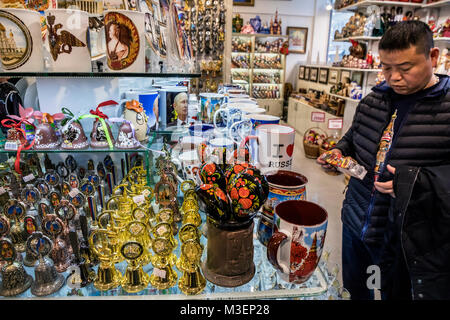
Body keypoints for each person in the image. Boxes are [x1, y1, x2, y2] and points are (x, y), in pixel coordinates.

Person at [317, 20, 450, 300]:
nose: (394, 78)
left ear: (433, 57)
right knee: (359, 290)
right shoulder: (373, 101)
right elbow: (352, 139)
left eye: (404, 68)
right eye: (386, 68)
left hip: (407, 240)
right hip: (357, 223)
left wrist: (415, 182)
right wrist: (338, 153)